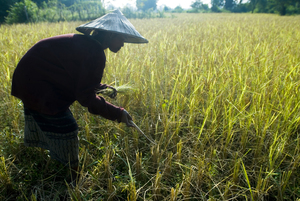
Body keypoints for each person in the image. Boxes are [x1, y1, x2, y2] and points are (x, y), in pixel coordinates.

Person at [11, 9, 148, 182]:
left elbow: (79, 79)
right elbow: (85, 97)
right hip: (37, 84)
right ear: (111, 34)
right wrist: (118, 113)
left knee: (54, 122)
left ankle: (55, 164)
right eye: (121, 38)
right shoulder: (94, 52)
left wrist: (103, 88)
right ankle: (74, 178)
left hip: (30, 80)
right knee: (67, 128)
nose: (123, 44)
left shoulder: (88, 45)